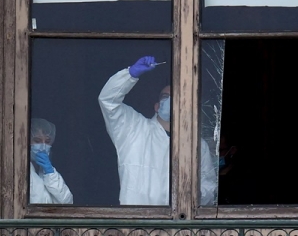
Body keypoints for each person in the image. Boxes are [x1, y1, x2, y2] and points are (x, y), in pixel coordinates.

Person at [99, 56, 217, 206]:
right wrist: (129, 75)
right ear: (156, 106)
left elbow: (209, 186)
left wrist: (195, 193)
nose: (171, 102)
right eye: (166, 97)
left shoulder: (197, 146)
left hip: (177, 227)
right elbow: (108, 101)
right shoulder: (133, 129)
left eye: (177, 99)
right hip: (136, 224)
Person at [29, 117, 73, 205]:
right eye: (37, 141)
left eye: (47, 141)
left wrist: (50, 173)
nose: (43, 146)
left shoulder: (47, 171)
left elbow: (67, 202)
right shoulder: (19, 170)